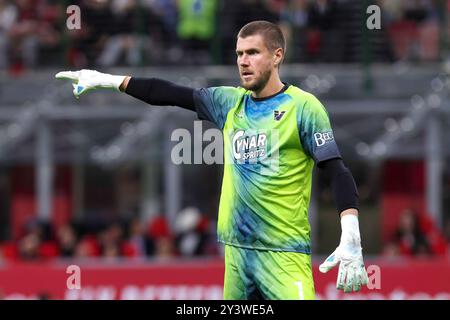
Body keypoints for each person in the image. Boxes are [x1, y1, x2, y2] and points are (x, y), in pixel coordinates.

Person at [55, 20, 368, 300]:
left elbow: (336, 170)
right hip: (236, 256)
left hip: (283, 255)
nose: (243, 62)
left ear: (277, 56)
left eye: (253, 53)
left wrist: (350, 232)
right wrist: (105, 79)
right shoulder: (229, 102)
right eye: (239, 54)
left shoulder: (303, 107)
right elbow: (167, 93)